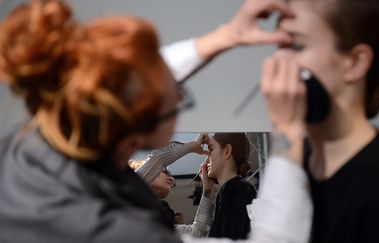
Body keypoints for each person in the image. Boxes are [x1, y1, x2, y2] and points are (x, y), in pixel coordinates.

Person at [0, 0, 312, 243]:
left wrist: (223, 38)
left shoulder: (34, 140)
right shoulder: (120, 232)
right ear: (139, 134)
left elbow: (124, 80)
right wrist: (289, 134)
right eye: (179, 98)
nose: (179, 98)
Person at [260, 0, 379, 242]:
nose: (278, 63)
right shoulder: (292, 163)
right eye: (279, 46)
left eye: (296, 45)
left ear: (355, 62)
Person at [204, 133, 257, 240]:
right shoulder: (236, 188)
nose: (207, 158)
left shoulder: (235, 189)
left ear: (227, 151)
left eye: (211, 149)